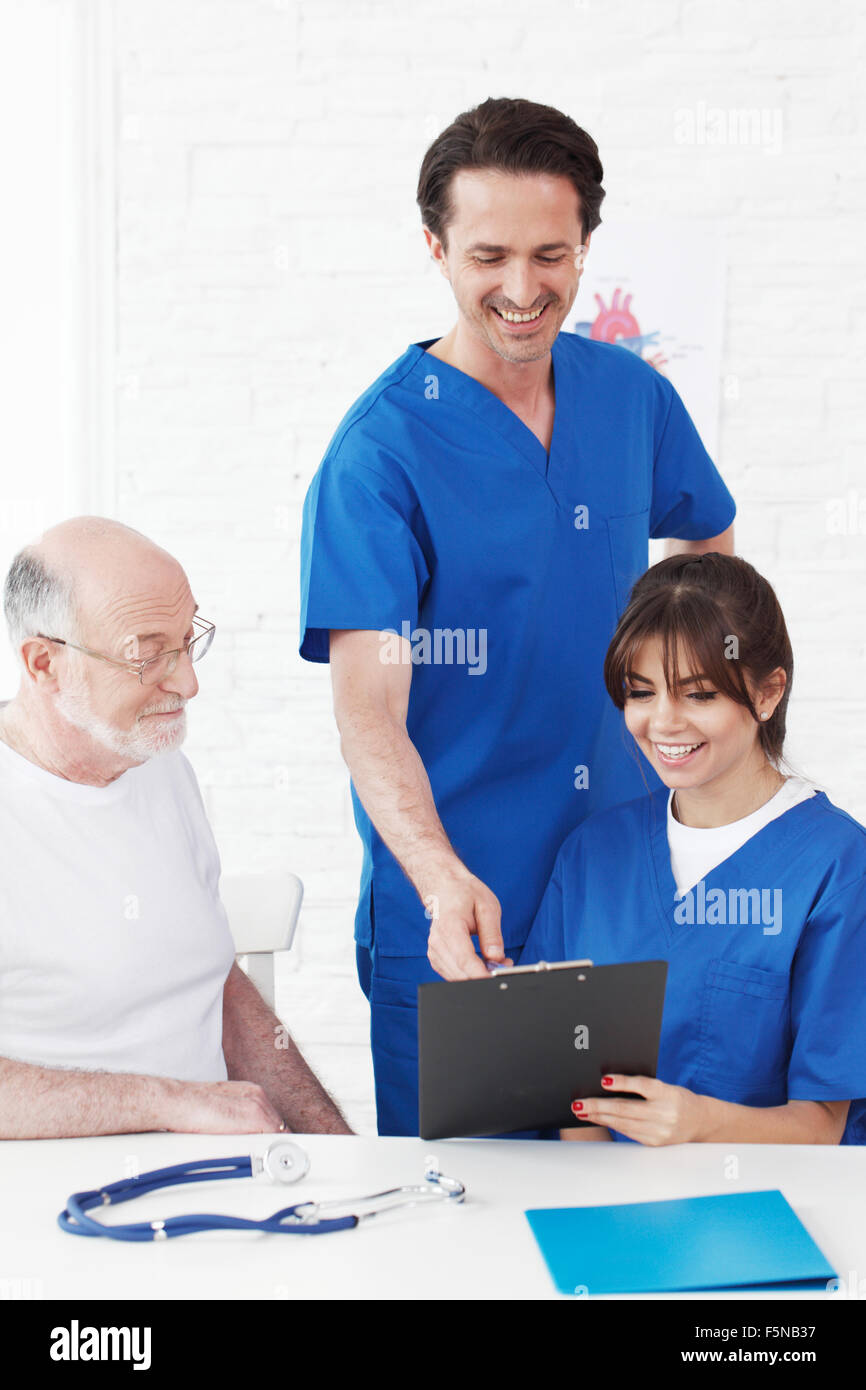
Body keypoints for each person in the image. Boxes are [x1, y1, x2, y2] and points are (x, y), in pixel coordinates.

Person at [299, 96, 736, 1136]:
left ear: (584, 246)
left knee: (631, 1185)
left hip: (624, 877)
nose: (522, 288)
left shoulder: (629, 397)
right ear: (434, 247)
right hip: (458, 905)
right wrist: (441, 875)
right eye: (488, 254)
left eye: (551, 254)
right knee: (462, 1214)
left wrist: (686, 710)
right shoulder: (379, 456)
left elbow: (706, 546)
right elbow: (368, 715)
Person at [0, 517, 351, 1140]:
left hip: (205, 1172)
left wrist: (334, 1146)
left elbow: (212, 981)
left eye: (189, 641)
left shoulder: (159, 765)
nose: (188, 682)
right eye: (146, 652)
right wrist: (170, 1103)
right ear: (43, 664)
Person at [519, 551, 866, 1145]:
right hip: (604, 1212)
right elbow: (568, 1092)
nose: (662, 722)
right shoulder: (593, 854)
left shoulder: (836, 865)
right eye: (641, 691)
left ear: (766, 693)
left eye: (698, 695)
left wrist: (700, 1124)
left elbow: (822, 1125)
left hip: (768, 1214)